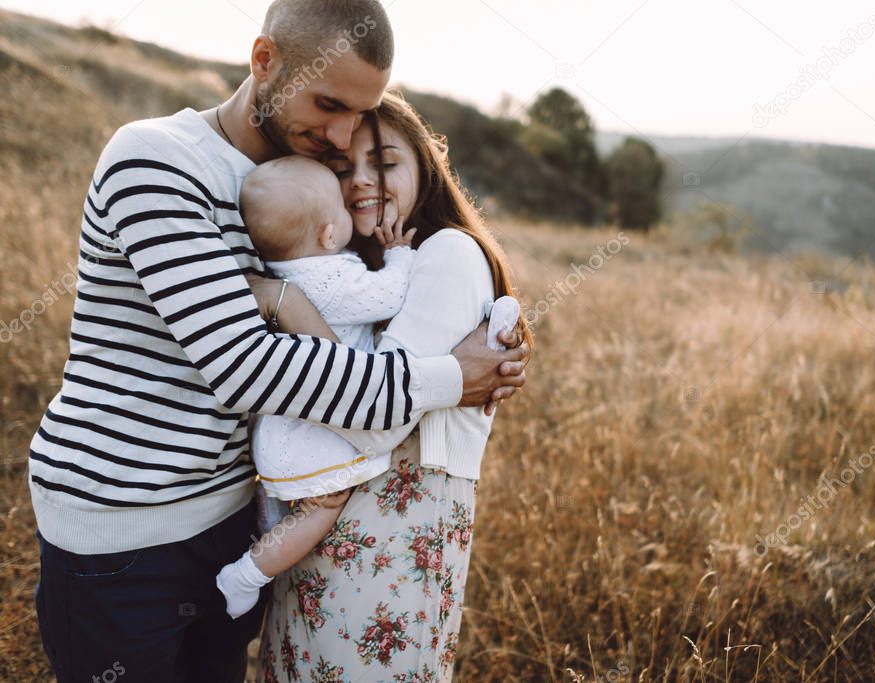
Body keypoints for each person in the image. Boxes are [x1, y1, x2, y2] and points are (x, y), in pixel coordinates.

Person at [29, 2, 529, 681]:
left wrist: (492, 322)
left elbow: (371, 298)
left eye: (362, 113)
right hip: (125, 534)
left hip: (233, 520)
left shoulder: (311, 181)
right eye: (328, 103)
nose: (342, 133)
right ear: (264, 60)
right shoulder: (156, 158)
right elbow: (245, 366)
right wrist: (446, 376)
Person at [256, 90, 534, 682]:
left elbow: (376, 420)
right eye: (341, 167)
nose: (360, 181)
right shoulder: (362, 268)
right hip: (324, 539)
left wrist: (284, 303)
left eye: (384, 164)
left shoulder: (448, 253)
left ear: (424, 169)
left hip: (391, 547)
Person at [215, 155, 418, 619]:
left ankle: (268, 549)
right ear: (330, 235)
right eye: (343, 211)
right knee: (323, 506)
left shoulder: (283, 273)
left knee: (289, 506)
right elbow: (390, 294)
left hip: (280, 435)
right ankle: (247, 574)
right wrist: (402, 255)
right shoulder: (331, 279)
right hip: (310, 441)